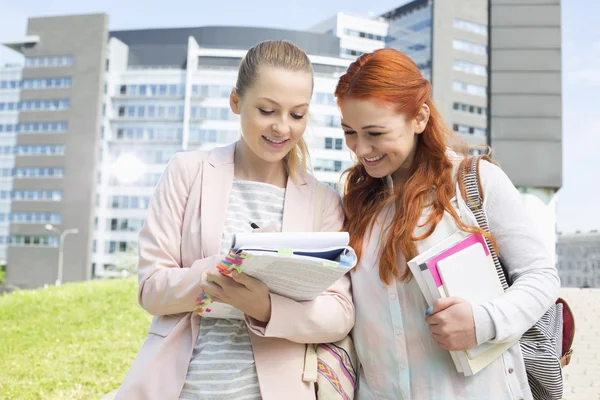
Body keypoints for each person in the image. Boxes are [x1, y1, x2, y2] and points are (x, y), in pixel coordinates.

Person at [116, 40, 354, 400]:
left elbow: (339, 314)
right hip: (181, 388)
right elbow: (151, 289)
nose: (282, 128)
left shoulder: (323, 200)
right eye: (267, 110)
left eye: (297, 114)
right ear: (235, 102)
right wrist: (221, 271)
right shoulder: (187, 172)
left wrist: (266, 307)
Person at [335, 48, 560, 400]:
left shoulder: (474, 181)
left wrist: (482, 321)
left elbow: (542, 276)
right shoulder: (353, 201)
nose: (361, 150)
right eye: (350, 132)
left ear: (420, 118)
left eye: (375, 133)